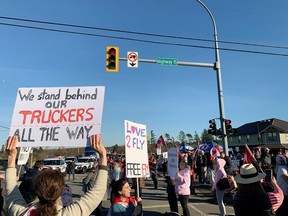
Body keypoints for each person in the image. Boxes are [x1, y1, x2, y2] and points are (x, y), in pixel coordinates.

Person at [5, 134, 108, 216]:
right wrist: (103, 155)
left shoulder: (20, 212)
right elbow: (98, 191)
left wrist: (11, 156)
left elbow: (11, 190)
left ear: (36, 189)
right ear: (60, 191)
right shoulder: (70, 213)